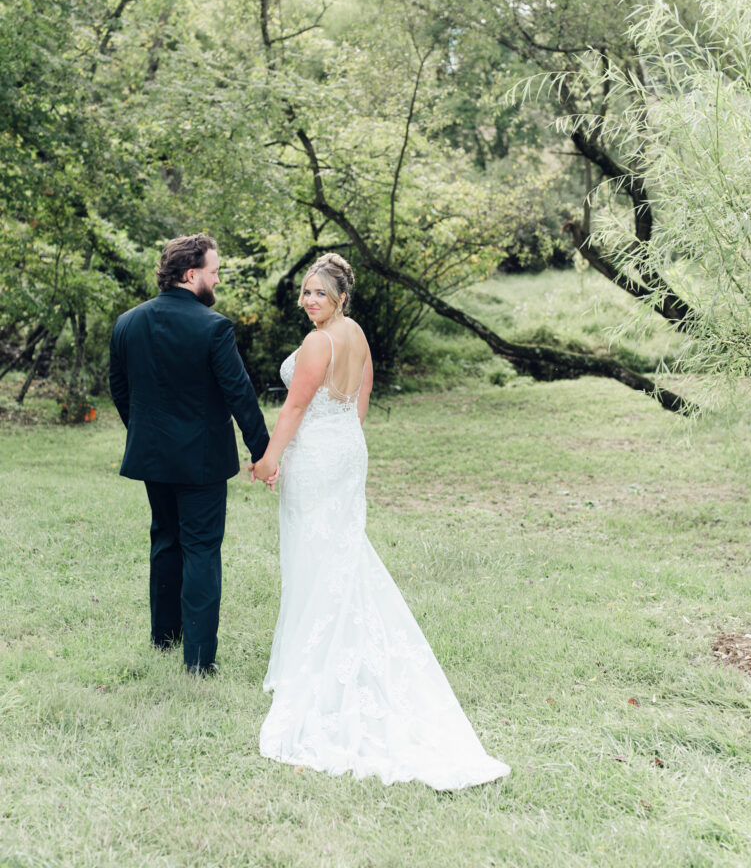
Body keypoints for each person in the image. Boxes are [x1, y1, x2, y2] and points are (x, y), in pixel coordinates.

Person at [252, 252, 509, 789]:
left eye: (319, 293)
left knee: (315, 552)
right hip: (346, 445)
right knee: (338, 548)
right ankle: (319, 647)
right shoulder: (356, 333)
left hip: (321, 453)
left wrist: (271, 458)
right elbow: (363, 387)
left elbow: (295, 408)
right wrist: (347, 428)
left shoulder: (318, 342)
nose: (308, 301)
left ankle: (317, 663)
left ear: (340, 297)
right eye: (305, 292)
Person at [109, 233, 277, 675]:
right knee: (201, 549)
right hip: (201, 462)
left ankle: (164, 638)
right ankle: (199, 662)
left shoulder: (127, 322)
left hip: (152, 457)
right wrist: (264, 453)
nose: (218, 280)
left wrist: (145, 435)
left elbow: (120, 391)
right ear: (190, 274)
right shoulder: (213, 326)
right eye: (214, 272)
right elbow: (240, 394)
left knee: (165, 539)